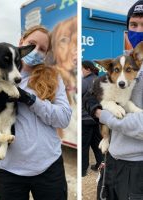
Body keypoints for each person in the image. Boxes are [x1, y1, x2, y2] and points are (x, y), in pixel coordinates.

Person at [0, 25, 72, 200]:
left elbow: (63, 118)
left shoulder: (53, 77)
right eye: (32, 44)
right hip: (7, 171)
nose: (36, 51)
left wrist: (30, 99)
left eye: (42, 49)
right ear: (21, 43)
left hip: (48, 168)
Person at [84, 1, 143, 199]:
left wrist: (102, 114)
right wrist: (91, 102)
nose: (138, 30)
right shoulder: (123, 59)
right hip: (113, 158)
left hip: (138, 166)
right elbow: (95, 93)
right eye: (133, 25)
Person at [81, 60, 103, 177]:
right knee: (97, 143)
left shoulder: (83, 82)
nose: (81, 72)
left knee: (84, 145)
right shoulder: (99, 80)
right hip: (97, 118)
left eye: (82, 69)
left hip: (85, 119)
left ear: (88, 69)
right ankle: (101, 165)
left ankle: (82, 170)